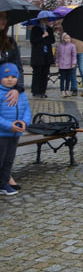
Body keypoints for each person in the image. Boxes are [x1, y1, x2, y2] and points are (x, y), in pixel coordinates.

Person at [0, 63, 30, 196]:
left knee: (9, 159)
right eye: (6, 77)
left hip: (15, 133)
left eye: (13, 76)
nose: (10, 79)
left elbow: (27, 110)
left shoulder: (20, 94)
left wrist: (24, 122)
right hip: (2, 133)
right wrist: (9, 125)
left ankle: (4, 182)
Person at [0, 12, 25, 107]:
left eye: (5, 18)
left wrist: (17, 89)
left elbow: (18, 67)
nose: (4, 21)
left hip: (7, 95)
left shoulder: (9, 42)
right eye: (1, 17)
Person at [29, 10, 55, 98]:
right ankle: (35, 91)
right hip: (38, 56)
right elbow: (33, 41)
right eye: (44, 20)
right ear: (40, 20)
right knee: (37, 73)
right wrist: (42, 37)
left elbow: (52, 40)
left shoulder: (49, 29)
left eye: (47, 19)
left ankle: (42, 91)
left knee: (45, 74)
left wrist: (46, 38)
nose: (46, 21)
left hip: (47, 55)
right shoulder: (35, 29)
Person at [55, 33, 77, 98]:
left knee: (68, 78)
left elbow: (74, 55)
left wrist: (73, 63)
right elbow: (58, 55)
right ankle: (62, 90)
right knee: (62, 78)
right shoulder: (60, 46)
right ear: (63, 38)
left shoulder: (72, 46)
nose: (67, 39)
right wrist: (57, 62)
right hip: (62, 65)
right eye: (65, 38)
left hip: (69, 65)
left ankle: (67, 90)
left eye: (68, 38)